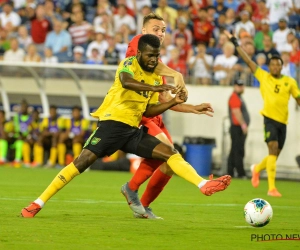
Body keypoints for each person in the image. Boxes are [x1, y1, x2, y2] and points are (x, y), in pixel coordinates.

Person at [21, 34, 231, 218]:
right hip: (111, 126)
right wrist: (155, 86)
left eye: (156, 56)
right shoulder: (128, 64)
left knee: (170, 152)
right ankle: (37, 203)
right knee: (81, 163)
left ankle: (203, 184)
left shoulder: (156, 77)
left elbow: (148, 111)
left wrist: (173, 102)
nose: (153, 60)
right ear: (139, 53)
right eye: (149, 55)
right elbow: (126, 81)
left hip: (131, 131)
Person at [121, 13, 225, 219]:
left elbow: (166, 101)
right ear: (143, 31)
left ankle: (141, 204)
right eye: (155, 29)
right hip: (143, 116)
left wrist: (193, 108)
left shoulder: (155, 63)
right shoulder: (138, 43)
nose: (160, 33)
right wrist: (176, 74)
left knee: (168, 164)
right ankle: (202, 183)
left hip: (157, 117)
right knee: (170, 152)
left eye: (163, 30)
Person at [224, 30, 300, 197]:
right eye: (272, 64)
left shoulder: (290, 82)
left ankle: (256, 169)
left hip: (283, 123)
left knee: (274, 155)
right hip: (269, 119)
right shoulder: (264, 76)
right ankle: (271, 188)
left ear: (281, 66)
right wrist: (236, 44)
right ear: (269, 66)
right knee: (272, 149)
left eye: (277, 64)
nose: (274, 66)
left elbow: (298, 98)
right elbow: (248, 60)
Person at [227, 79, 250, 178]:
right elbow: (237, 112)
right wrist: (244, 125)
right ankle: (240, 173)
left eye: (242, 85)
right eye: (239, 86)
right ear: (235, 86)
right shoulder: (234, 97)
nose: (241, 87)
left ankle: (230, 172)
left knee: (234, 150)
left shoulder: (238, 97)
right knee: (238, 151)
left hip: (237, 127)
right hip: (237, 128)